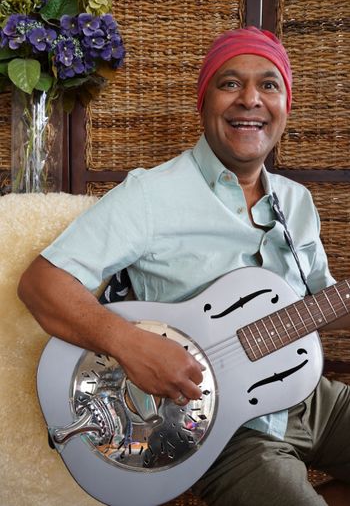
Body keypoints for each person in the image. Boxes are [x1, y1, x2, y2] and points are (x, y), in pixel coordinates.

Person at [18, 27, 350, 506]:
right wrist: (130, 344)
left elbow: (326, 301)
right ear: (204, 100)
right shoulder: (151, 195)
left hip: (309, 395)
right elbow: (41, 285)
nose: (250, 99)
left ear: (285, 106)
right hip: (220, 429)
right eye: (230, 83)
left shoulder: (296, 201)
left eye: (269, 85)